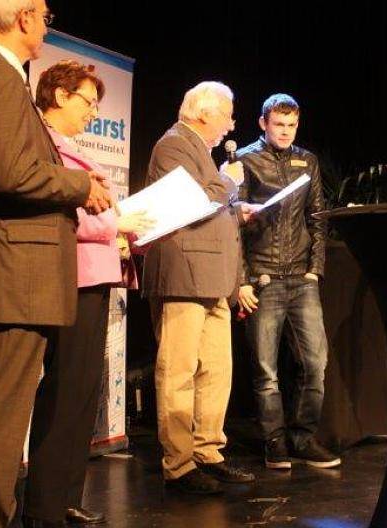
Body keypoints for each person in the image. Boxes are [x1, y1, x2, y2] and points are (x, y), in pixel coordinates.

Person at [0, 1, 111, 526]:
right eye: (44, 16)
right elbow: (14, 173)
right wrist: (80, 186)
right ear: (23, 17)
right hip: (11, 274)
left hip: (11, 273)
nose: (45, 26)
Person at [23, 60, 154, 527]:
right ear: (60, 96)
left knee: (81, 395)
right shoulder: (43, 143)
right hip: (70, 278)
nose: (93, 112)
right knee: (64, 393)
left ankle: (66, 496)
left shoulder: (74, 147)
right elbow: (60, 213)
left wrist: (130, 229)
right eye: (88, 102)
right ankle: (43, 506)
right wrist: (117, 224)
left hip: (97, 278)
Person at [142, 81, 257, 495]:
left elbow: (210, 207)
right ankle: (179, 464)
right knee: (178, 371)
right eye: (227, 115)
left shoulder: (201, 152)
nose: (231, 124)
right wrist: (227, 183)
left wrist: (236, 213)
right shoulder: (173, 145)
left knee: (216, 370)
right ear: (204, 113)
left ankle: (208, 451)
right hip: (183, 273)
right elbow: (189, 204)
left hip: (214, 276)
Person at [235, 94, 341, 470]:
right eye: (278, 124)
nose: (285, 131)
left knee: (315, 364)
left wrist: (315, 269)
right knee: (266, 371)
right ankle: (274, 442)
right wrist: (242, 280)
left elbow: (317, 216)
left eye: (291, 125)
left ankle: (302, 437)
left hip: (301, 278)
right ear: (263, 123)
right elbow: (231, 224)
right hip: (262, 278)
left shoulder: (307, 160)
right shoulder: (243, 160)